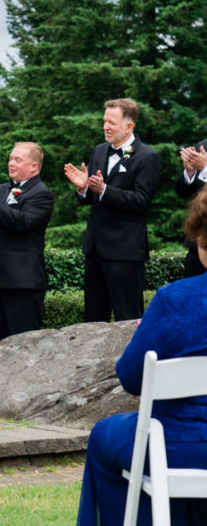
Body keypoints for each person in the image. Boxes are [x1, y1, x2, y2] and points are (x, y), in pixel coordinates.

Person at [76, 190, 207, 525]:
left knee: (105, 436)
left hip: (179, 444)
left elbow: (132, 377)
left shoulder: (175, 299)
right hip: (183, 444)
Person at [64, 98, 162, 322]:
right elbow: (92, 197)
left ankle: (131, 358)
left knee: (128, 317)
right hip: (96, 249)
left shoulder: (148, 157)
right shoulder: (99, 151)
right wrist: (83, 189)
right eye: (104, 121)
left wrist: (105, 190)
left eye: (112, 122)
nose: (105, 126)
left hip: (125, 252)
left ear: (129, 126)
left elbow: (141, 200)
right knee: (93, 319)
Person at [0, 142, 54, 344]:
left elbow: (22, 222)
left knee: (23, 344)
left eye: (17, 159)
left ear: (34, 166)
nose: (11, 163)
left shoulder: (42, 194)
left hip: (23, 283)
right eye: (10, 158)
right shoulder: (0, 190)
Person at [175, 138, 207, 276]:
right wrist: (190, 172)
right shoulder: (203, 146)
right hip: (198, 245)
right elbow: (182, 192)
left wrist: (206, 169)